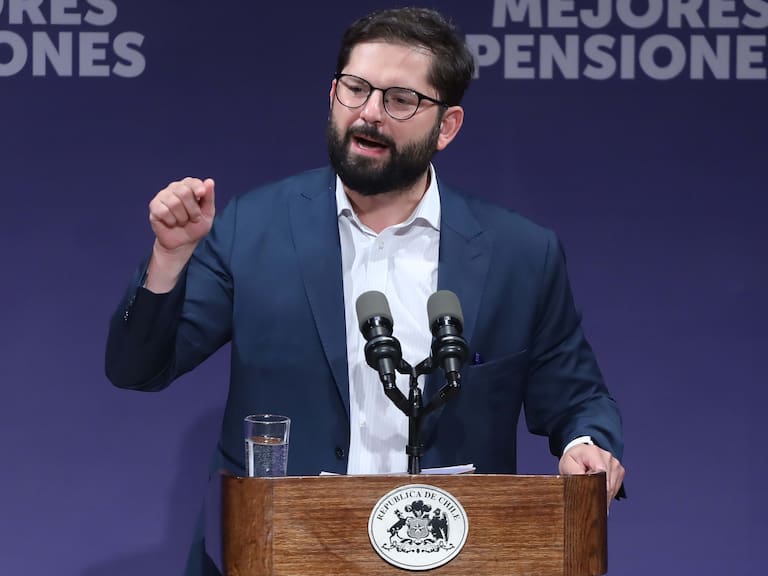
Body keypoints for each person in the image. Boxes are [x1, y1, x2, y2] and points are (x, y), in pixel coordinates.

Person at [105, 7, 625, 575]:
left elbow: (576, 400)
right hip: (281, 554)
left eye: (400, 99)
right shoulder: (252, 226)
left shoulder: (520, 254)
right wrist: (169, 259)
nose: (370, 114)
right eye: (356, 90)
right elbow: (138, 368)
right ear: (333, 94)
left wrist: (585, 445)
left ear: (446, 126)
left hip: (455, 555)